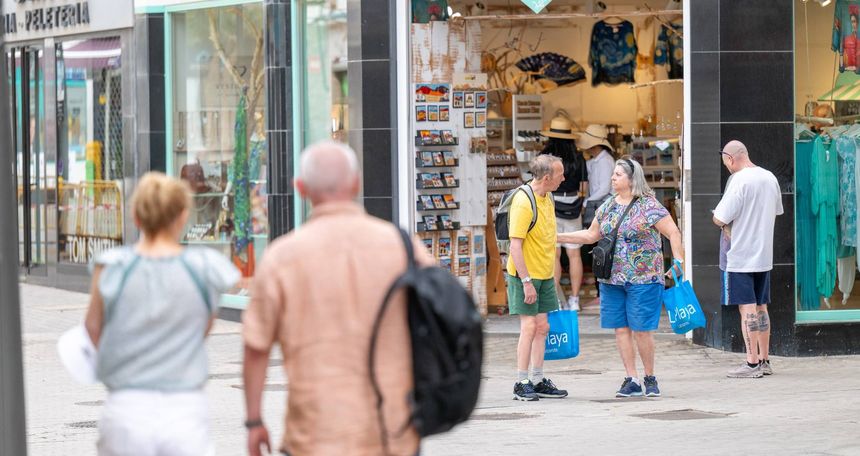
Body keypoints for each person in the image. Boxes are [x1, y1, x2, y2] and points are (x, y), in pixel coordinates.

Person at [242, 141, 433, 456]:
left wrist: (253, 421)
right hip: (392, 431)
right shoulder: (402, 246)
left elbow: (255, 347)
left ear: (300, 188)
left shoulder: (282, 257)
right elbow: (440, 316)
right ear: (356, 183)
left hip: (315, 434)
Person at [84, 172, 240, 455]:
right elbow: (202, 329)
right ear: (182, 216)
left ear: (136, 216)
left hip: (126, 407)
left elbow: (93, 329)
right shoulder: (204, 268)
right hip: (184, 408)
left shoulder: (112, 267)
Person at [558, 158, 684, 398]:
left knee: (641, 330)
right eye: (613, 174)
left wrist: (679, 262)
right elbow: (590, 235)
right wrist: (556, 237)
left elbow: (672, 232)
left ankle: (650, 377)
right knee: (620, 329)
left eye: (618, 175)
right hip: (611, 279)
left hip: (644, 277)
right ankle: (631, 378)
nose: (613, 178)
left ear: (631, 179)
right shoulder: (607, 206)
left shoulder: (649, 205)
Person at [713, 140, 783, 378]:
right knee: (761, 306)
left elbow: (720, 218)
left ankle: (751, 363)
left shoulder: (739, 181)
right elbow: (776, 211)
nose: (727, 168)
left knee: (747, 308)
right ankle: (764, 359)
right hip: (764, 254)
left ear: (731, 158)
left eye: (726, 163)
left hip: (740, 255)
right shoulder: (769, 177)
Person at [508, 154, 569, 401]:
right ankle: (521, 381)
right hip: (525, 275)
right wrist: (526, 282)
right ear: (547, 178)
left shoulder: (549, 197)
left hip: (543, 274)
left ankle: (537, 378)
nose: (564, 178)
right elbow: (515, 246)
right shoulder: (524, 202)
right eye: (560, 174)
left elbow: (547, 237)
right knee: (530, 326)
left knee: (543, 327)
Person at [540, 116, 588, 311]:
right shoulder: (578, 157)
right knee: (574, 254)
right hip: (573, 205)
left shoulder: (544, 157)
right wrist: (581, 204)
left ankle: (556, 300)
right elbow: (585, 187)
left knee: (554, 254)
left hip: (550, 204)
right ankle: (575, 300)